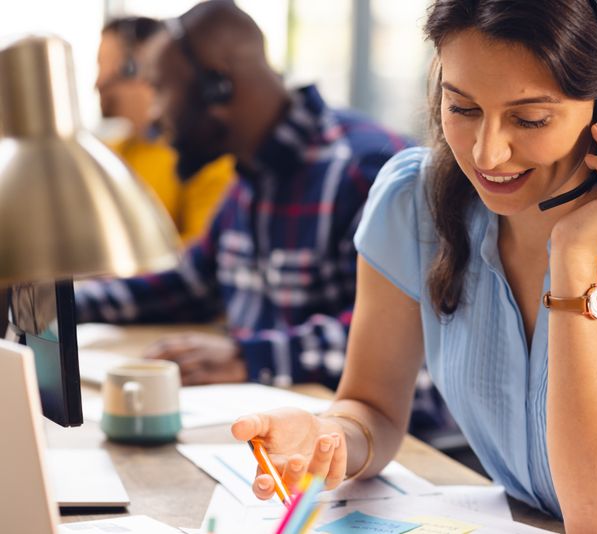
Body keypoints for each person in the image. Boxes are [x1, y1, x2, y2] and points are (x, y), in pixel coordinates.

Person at [230, 0, 597, 532]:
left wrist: (576, 260)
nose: (486, 154)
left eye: (528, 120)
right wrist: (330, 435)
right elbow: (372, 407)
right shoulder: (413, 202)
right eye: (463, 108)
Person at [75, 1, 433, 413]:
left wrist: (248, 357)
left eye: (160, 91)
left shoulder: (369, 170)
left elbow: (407, 336)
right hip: (266, 428)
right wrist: (63, 304)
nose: (153, 118)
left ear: (218, 87)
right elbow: (189, 283)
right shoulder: (248, 178)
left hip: (375, 447)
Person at [96, 16, 234, 243]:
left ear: (134, 67)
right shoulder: (110, 154)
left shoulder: (204, 162)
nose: (97, 82)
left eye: (101, 64)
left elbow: (202, 256)